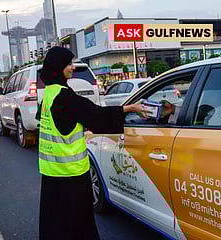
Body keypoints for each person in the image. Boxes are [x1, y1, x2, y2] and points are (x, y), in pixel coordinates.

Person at [36, 47, 150, 240]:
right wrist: (131, 108)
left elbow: (62, 119)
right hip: (71, 174)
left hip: (50, 172)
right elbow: (96, 115)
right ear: (58, 67)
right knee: (78, 223)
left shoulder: (49, 93)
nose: (72, 68)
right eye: (68, 64)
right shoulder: (66, 97)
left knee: (55, 222)